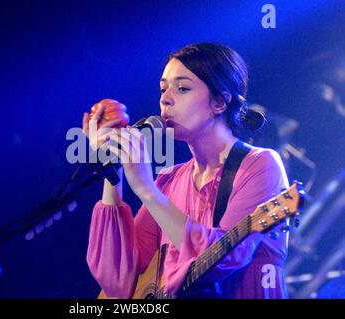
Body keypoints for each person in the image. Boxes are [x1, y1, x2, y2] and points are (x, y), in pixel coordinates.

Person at [82, 43, 290, 299]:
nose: (165, 98)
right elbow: (118, 280)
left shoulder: (261, 165)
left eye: (182, 88)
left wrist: (146, 189)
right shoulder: (170, 181)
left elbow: (222, 261)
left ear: (219, 103)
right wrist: (112, 167)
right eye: (163, 88)